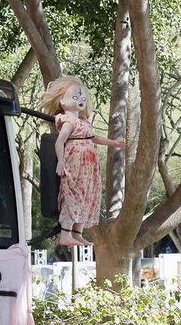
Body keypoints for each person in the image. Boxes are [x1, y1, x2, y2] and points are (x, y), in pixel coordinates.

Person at [39, 77, 125, 246]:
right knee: (74, 193)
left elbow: (93, 137)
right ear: (62, 101)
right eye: (75, 97)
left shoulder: (84, 122)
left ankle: (77, 233)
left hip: (89, 164)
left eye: (82, 98)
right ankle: (65, 234)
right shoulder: (68, 122)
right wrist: (61, 161)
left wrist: (113, 143)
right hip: (76, 161)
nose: (80, 100)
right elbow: (59, 142)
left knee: (87, 195)